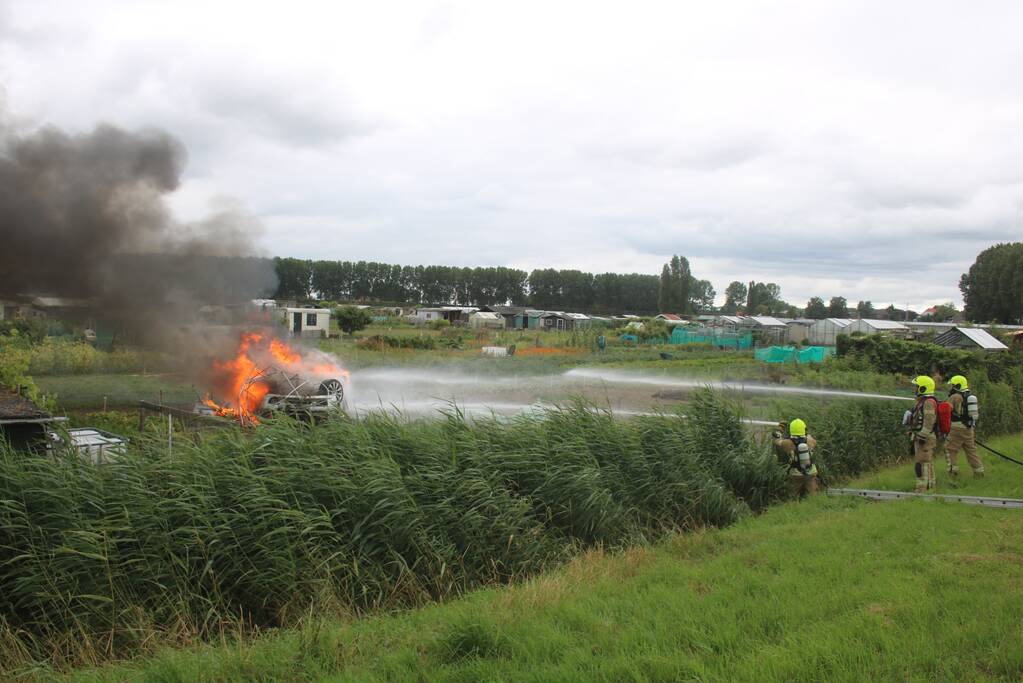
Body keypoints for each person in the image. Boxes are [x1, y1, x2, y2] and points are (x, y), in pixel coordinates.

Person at [945, 375, 984, 478]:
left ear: (957, 385)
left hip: (956, 427)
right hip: (969, 428)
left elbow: (947, 410)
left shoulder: (955, 396)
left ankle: (953, 472)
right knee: (971, 450)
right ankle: (979, 472)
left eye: (952, 385)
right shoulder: (969, 396)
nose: (950, 387)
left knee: (950, 449)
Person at [907, 375, 938, 492]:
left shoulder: (928, 402)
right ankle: (930, 487)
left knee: (921, 463)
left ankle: (921, 489)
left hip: (925, 438)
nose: (914, 389)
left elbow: (929, 421)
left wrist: (921, 436)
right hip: (924, 437)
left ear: (923, 388)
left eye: (917, 387)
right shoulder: (923, 401)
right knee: (927, 462)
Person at [772, 418, 818, 498]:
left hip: (795, 473)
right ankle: (814, 503)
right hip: (811, 472)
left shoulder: (787, 443)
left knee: (792, 496)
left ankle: (793, 503)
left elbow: (777, 440)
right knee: (813, 496)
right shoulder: (811, 441)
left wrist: (781, 428)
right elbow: (810, 438)